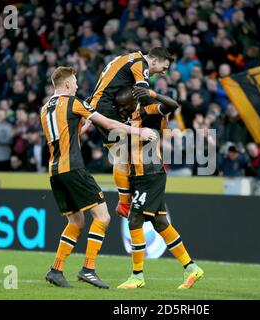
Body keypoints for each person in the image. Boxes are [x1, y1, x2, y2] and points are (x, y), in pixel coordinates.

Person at [42, 67, 157, 289]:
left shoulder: (45, 109)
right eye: (74, 82)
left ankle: (56, 269)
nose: (76, 85)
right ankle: (89, 269)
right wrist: (139, 132)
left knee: (76, 222)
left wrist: (83, 124)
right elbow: (108, 124)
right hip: (74, 169)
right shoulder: (73, 102)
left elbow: (68, 133)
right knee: (102, 217)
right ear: (66, 85)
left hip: (55, 172)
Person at [114, 85, 204, 290]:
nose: (121, 110)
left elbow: (173, 105)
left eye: (123, 106)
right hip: (140, 175)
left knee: (135, 220)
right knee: (161, 223)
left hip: (150, 174)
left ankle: (137, 276)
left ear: (132, 103)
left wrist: (153, 95)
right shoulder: (127, 120)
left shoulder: (148, 111)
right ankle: (191, 268)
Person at [86, 47, 173, 218]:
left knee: (122, 153)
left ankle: (125, 201)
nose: (163, 73)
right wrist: (158, 109)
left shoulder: (127, 58)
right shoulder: (141, 64)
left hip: (100, 105)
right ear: (154, 61)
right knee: (124, 153)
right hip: (106, 108)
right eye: (164, 68)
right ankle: (125, 202)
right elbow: (143, 93)